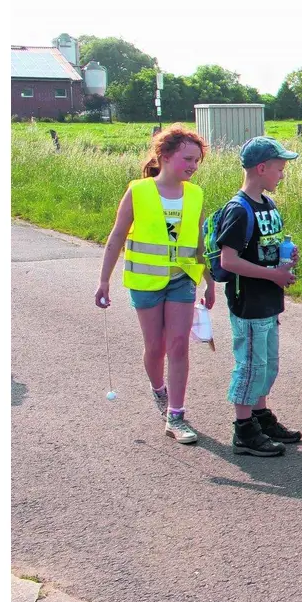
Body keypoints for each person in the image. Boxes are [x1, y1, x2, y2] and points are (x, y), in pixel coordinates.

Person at [94, 126, 216, 445]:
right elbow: (117, 235)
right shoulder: (139, 190)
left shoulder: (196, 193)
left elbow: (198, 241)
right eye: (188, 159)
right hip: (146, 281)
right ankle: (158, 391)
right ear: (164, 156)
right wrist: (103, 280)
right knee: (155, 347)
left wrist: (209, 281)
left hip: (182, 279)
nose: (193, 166)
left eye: (197, 161)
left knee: (178, 344)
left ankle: (176, 415)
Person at [214, 136, 302, 457]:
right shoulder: (239, 210)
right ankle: (244, 429)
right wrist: (272, 275)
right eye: (279, 169)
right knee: (250, 365)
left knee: (269, 365)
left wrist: (286, 260)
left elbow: (267, 249)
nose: (283, 174)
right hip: (248, 303)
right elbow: (229, 260)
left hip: (268, 301)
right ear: (262, 168)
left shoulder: (269, 205)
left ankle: (260, 416)